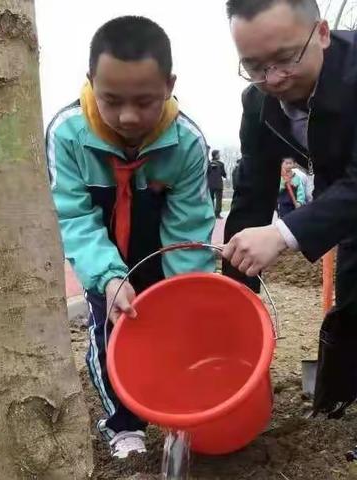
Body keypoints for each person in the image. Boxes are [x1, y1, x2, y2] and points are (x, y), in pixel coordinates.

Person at [46, 16, 215, 458]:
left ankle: (183, 406)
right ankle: (123, 425)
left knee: (178, 326)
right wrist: (107, 275)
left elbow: (189, 228)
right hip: (103, 255)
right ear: (90, 82)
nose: (128, 117)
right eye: (112, 100)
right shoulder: (67, 135)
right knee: (109, 332)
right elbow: (74, 217)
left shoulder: (186, 143)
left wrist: (183, 293)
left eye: (145, 101)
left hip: (161, 250)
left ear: (169, 84)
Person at [222, 0, 357, 417]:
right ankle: (335, 404)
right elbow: (251, 194)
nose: (273, 78)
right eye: (255, 66)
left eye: (285, 59)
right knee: (351, 302)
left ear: (320, 33)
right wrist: (233, 295)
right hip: (346, 207)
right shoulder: (258, 105)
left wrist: (282, 234)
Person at [207, 149, 227, 218]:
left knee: (211, 199)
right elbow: (224, 174)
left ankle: (211, 213)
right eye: (218, 154)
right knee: (219, 200)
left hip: (210, 184)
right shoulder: (221, 164)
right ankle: (217, 214)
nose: (219, 155)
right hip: (218, 184)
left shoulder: (208, 163)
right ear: (216, 155)